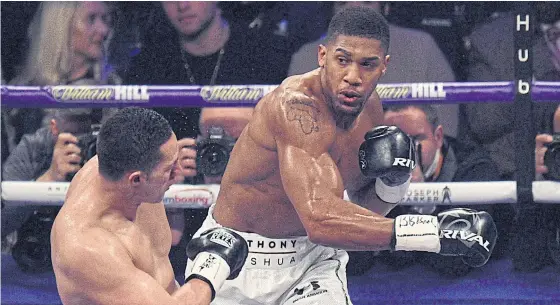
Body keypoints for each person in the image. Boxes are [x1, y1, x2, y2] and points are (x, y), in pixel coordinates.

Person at [185, 7, 497, 304]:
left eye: (367, 64)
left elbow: (359, 208)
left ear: (383, 65)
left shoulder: (370, 109)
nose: (353, 76)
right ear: (322, 56)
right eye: (342, 60)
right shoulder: (296, 108)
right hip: (234, 252)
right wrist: (432, 234)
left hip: (311, 260)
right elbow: (319, 219)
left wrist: (392, 185)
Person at [50, 107, 249, 305]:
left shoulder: (125, 165)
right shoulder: (87, 249)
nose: (177, 173)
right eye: (169, 169)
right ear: (136, 180)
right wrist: (211, 268)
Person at [289, 1, 458, 137]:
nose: (354, 11)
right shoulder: (304, 57)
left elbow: (446, 129)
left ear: (384, 6)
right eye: (342, 3)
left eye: (367, 2)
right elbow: (295, 131)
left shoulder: (422, 47)